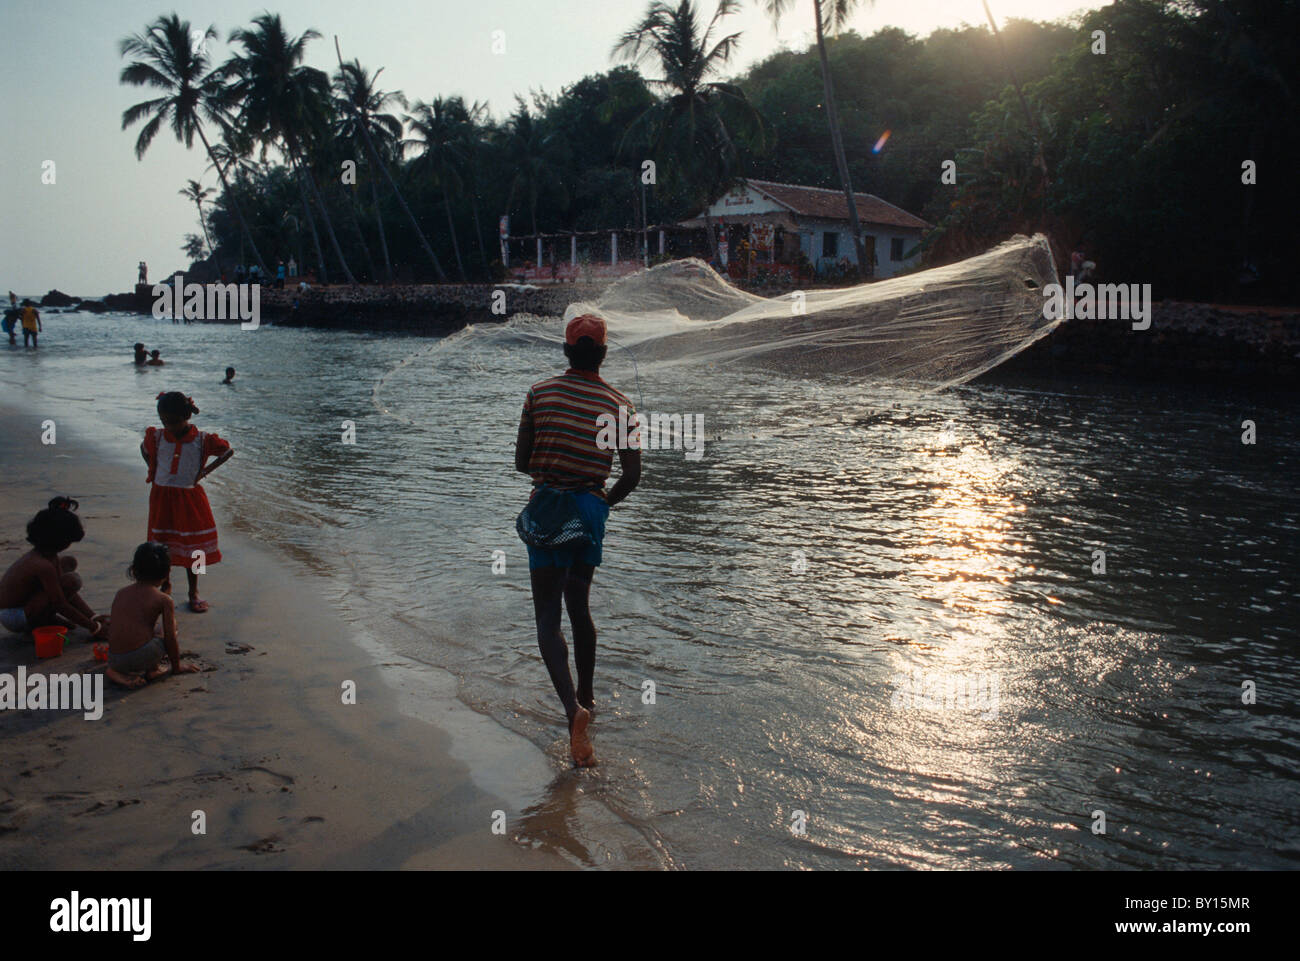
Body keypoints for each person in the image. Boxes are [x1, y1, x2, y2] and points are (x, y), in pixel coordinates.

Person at [514, 313, 641, 767]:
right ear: (603, 352)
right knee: (579, 606)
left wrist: (554, 464)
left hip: (549, 508)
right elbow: (632, 475)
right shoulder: (620, 404)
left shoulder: (539, 393)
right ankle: (588, 693)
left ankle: (574, 713)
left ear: (567, 350)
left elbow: (521, 461)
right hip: (589, 511)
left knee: (548, 621)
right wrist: (601, 502)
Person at [141, 392, 233, 613]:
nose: (168, 425)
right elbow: (144, 451)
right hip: (162, 497)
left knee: (196, 549)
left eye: (172, 421)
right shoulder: (157, 437)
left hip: (190, 500)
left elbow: (227, 451)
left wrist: (204, 472)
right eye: (164, 421)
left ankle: (194, 591)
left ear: (186, 416)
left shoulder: (203, 440)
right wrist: (153, 468)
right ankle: (165, 583)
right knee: (162, 545)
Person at [0, 499, 108, 638]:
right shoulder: (42, 565)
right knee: (71, 581)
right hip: (13, 616)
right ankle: (39, 622)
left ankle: (43, 619)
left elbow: (65, 593)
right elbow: (60, 603)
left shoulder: (48, 556)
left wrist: (93, 617)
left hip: (23, 605)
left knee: (69, 563)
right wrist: (95, 628)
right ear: (60, 540)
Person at [105, 542, 199, 689]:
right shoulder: (164, 600)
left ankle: (116, 672)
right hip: (138, 658)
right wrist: (177, 667)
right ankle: (153, 669)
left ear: (134, 570)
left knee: (146, 628)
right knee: (169, 627)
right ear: (167, 572)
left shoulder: (121, 592)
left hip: (113, 657)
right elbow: (170, 637)